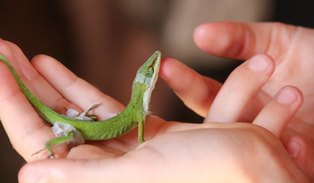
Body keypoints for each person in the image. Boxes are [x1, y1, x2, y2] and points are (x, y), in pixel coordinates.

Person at [0, 21, 312, 182]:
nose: (154, 67)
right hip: (82, 128)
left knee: (68, 119)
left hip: (85, 125)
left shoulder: (137, 110)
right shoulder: (137, 114)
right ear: (145, 82)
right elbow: (139, 136)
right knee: (58, 117)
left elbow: (139, 133)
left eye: (149, 70)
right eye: (150, 71)